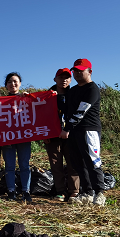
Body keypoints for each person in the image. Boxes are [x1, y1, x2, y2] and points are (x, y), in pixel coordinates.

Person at [60, 59, 106, 206]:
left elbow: (81, 111)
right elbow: (65, 109)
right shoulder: (72, 91)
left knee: (92, 161)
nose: (78, 73)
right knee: (77, 163)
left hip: (89, 130)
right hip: (74, 132)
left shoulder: (92, 89)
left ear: (89, 72)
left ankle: (100, 193)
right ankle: (87, 192)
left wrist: (66, 129)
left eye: (81, 70)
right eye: (76, 71)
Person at [44, 69, 80, 202]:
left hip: (71, 134)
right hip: (52, 135)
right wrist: (45, 134)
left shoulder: (75, 94)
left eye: (67, 77)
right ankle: (60, 192)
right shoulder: (47, 96)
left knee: (73, 163)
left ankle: (74, 191)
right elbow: (40, 114)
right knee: (55, 164)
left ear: (70, 80)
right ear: (55, 79)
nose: (63, 80)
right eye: (60, 77)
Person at [1, 72, 32, 202]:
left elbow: (39, 106)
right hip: (7, 137)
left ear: (19, 83)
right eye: (9, 82)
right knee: (9, 165)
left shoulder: (26, 98)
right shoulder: (0, 101)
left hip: (24, 136)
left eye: (15, 81)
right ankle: (11, 191)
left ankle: (26, 191)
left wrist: (29, 98)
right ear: (6, 85)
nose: (12, 84)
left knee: (24, 164)